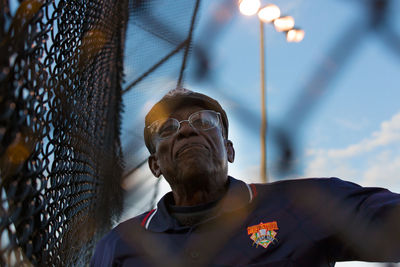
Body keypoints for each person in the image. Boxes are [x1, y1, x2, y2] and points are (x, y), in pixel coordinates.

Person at [91, 88, 400, 267]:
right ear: (155, 165)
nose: (186, 129)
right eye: (167, 129)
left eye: (203, 121)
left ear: (229, 150)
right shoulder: (118, 245)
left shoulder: (305, 204)